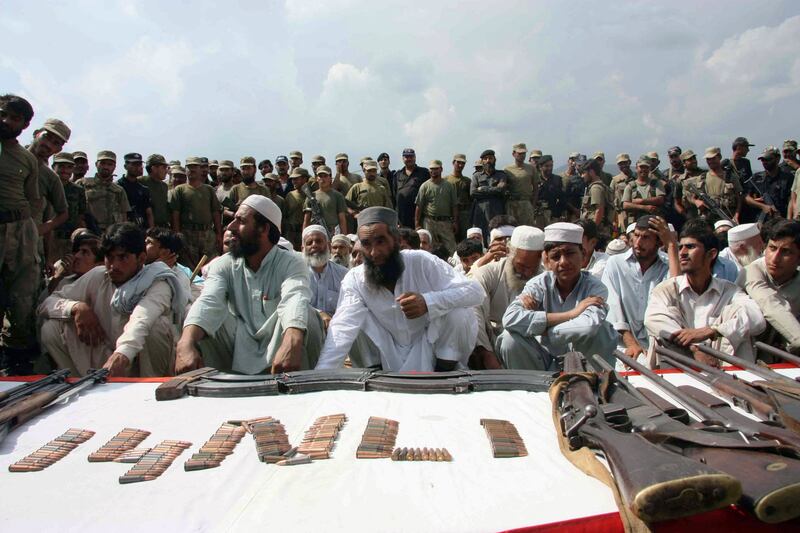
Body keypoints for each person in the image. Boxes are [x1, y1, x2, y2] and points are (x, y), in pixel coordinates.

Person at [315, 207, 483, 371]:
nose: (374, 252)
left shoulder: (421, 261)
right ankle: (374, 377)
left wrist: (428, 302)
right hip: (386, 354)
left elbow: (475, 292)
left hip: (429, 347)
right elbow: (341, 328)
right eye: (367, 244)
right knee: (353, 318)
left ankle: (444, 375)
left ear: (395, 239)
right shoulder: (354, 279)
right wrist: (320, 376)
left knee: (460, 312)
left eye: (381, 241)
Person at [176, 195, 324, 375]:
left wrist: (292, 341)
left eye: (241, 221)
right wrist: (185, 343)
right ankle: (219, 385)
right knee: (198, 324)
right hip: (238, 343)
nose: (230, 227)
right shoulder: (224, 264)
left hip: (281, 342)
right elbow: (209, 301)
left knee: (307, 316)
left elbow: (295, 297)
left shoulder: (292, 262)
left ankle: (307, 383)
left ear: (263, 228)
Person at [39, 223, 188, 377]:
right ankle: (81, 384)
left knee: (156, 327)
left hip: (138, 361)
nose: (114, 265)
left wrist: (122, 354)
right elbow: (48, 303)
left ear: (141, 258)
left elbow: (142, 319)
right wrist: (76, 307)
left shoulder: (157, 282)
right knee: (51, 328)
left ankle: (149, 390)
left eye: (123, 257)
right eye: (109, 257)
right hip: (108, 358)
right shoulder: (99, 276)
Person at [644, 219, 765, 366]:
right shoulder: (667, 289)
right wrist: (694, 349)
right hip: (679, 364)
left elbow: (757, 320)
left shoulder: (729, 291)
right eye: (680, 247)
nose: (682, 253)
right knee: (662, 327)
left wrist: (713, 331)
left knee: (737, 315)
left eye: (690, 247)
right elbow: (653, 320)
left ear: (711, 254)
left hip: (721, 365)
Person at [497, 222, 617, 369]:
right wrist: (573, 313)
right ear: (547, 260)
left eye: (570, 253)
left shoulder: (595, 288)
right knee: (509, 338)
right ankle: (529, 388)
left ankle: (595, 385)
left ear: (583, 254)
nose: (564, 262)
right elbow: (509, 319)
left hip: (582, 365)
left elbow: (588, 326)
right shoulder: (539, 284)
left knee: (603, 331)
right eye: (556, 256)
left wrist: (542, 329)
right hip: (544, 362)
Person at [0, 94, 42, 374]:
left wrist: (34, 236)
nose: (6, 121)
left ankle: (15, 363)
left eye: (14, 118)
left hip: (21, 231)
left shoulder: (27, 159)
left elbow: (34, 201)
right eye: (2, 114)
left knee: (23, 298)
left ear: (25, 125)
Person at [602, 215, 677, 362]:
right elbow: (612, 307)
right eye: (636, 236)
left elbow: (676, 293)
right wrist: (631, 344)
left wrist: (672, 245)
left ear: (659, 242)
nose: (638, 242)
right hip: (622, 344)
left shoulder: (668, 265)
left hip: (661, 345)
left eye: (646, 237)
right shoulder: (615, 264)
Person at [471, 226, 543, 369]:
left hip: (529, 348)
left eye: (532, 267)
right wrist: (487, 353)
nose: (527, 273)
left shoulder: (545, 279)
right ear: (509, 253)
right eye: (521, 266)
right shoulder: (488, 274)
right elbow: (474, 310)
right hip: (490, 345)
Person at [738, 219, 800, 356]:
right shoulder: (752, 271)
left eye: (786, 252)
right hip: (745, 353)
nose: (775, 258)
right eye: (772, 248)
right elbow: (770, 304)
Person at [27, 119, 69, 268]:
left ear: (58, 150)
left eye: (56, 143)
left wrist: (38, 231)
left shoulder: (50, 178)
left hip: (26, 244)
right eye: (46, 137)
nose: (49, 144)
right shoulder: (10, 156)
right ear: (36, 134)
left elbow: (61, 214)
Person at [169, 156, 223, 269]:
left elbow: (215, 212)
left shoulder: (209, 190)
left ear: (200, 169)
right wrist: (177, 233)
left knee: (210, 266)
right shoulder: (180, 190)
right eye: (189, 167)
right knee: (188, 267)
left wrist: (218, 233)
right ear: (186, 170)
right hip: (187, 234)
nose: (192, 169)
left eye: (195, 167)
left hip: (207, 233)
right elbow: (175, 214)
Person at [683, 147, 742, 223]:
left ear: (719, 157)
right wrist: (696, 202)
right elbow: (691, 197)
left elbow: (739, 198)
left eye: (713, 158)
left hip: (727, 216)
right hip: (708, 218)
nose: (710, 161)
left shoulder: (730, 177)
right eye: (708, 159)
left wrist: (736, 216)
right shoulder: (702, 178)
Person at [79, 151, 131, 233]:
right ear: (96, 164)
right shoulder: (83, 184)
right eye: (103, 163)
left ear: (114, 167)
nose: (106, 167)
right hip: (88, 231)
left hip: (111, 233)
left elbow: (123, 214)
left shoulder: (119, 190)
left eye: (110, 164)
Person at [415, 159, 458, 255]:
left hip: (445, 221)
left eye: (436, 169)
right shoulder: (425, 186)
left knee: (451, 248)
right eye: (431, 169)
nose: (433, 171)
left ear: (441, 169)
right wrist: (417, 224)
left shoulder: (449, 185)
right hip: (429, 221)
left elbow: (454, 205)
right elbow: (419, 206)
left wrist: (455, 221)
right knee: (429, 248)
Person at [50, 152, 86, 263]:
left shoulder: (78, 190)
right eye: (61, 166)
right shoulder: (46, 185)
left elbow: (81, 214)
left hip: (69, 240)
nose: (65, 170)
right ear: (53, 167)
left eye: (69, 167)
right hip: (49, 238)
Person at [743, 146, 794, 223]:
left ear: (777, 159)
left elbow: (792, 200)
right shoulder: (756, 178)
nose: (764, 162)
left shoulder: (788, 178)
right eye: (762, 160)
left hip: (781, 219)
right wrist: (762, 206)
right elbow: (746, 197)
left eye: (768, 159)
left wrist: (789, 220)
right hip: (760, 220)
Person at [470, 149, 508, 244]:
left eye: (490, 158)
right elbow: (473, 192)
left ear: (494, 160)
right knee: (479, 236)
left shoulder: (501, 175)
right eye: (485, 159)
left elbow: (501, 189)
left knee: (497, 234)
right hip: (480, 212)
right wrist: (493, 190)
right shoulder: (476, 176)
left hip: (497, 210)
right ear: (482, 161)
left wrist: (482, 189)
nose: (488, 161)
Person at [304, 166, 347, 240]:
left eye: (325, 176)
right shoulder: (311, 196)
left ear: (330, 178)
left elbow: (342, 219)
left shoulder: (337, 196)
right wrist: (304, 239)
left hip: (333, 233)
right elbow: (306, 220)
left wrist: (344, 239)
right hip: (315, 233)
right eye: (320, 176)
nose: (322, 179)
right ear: (317, 178)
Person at [621, 156, 666, 227]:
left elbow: (660, 199)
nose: (643, 170)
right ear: (636, 168)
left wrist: (641, 201)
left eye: (646, 167)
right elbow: (625, 205)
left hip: (653, 222)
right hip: (635, 223)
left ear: (650, 168)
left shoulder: (657, 183)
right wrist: (644, 207)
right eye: (641, 167)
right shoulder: (630, 186)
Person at [579, 157, 614, 243]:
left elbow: (599, 210)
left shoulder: (596, 188)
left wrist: (592, 231)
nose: (582, 176)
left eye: (584, 173)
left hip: (598, 232)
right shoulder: (601, 186)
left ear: (591, 172)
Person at [503, 143, 538, 226]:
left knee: (528, 230)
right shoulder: (507, 169)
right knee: (512, 230)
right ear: (513, 154)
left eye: (524, 153)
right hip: (511, 204)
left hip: (526, 203)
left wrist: (532, 205)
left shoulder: (531, 168)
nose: (522, 156)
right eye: (520, 153)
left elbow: (536, 189)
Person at [395, 148, 430, 228]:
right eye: (406, 157)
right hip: (402, 217)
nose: (409, 159)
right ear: (403, 159)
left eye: (411, 157)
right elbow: (394, 196)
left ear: (415, 157)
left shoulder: (424, 172)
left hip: (419, 215)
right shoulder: (397, 174)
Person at [117, 153, 154, 229]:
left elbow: (149, 213)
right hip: (123, 228)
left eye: (139, 164)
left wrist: (151, 231)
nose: (137, 167)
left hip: (141, 228)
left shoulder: (143, 189)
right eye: (134, 164)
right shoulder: (118, 186)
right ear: (125, 166)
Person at [138, 154, 171, 229]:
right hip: (146, 228)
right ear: (154, 168)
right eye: (164, 167)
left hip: (163, 228)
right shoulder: (141, 181)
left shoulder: (164, 186)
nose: (166, 171)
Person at [445, 154, 472, 240]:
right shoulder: (445, 180)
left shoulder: (467, 181)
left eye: (463, 163)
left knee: (465, 239)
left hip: (464, 214)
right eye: (458, 162)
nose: (460, 165)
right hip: (449, 214)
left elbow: (471, 198)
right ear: (453, 163)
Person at [535, 155, 566, 228]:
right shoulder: (535, 179)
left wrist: (558, 214)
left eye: (551, 166)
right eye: (546, 166)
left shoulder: (557, 179)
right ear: (540, 167)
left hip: (553, 216)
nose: (550, 168)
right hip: (538, 215)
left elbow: (562, 199)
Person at [283, 167, 310, 250]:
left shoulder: (311, 195)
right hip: (291, 233)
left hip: (306, 232)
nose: (293, 181)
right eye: (292, 179)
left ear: (305, 179)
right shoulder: (290, 195)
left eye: (296, 179)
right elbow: (285, 215)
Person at [610, 153, 636, 232]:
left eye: (625, 163)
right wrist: (613, 219)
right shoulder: (615, 180)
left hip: (636, 212)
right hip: (621, 214)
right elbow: (610, 199)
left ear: (629, 162)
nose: (623, 165)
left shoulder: (637, 177)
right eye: (620, 164)